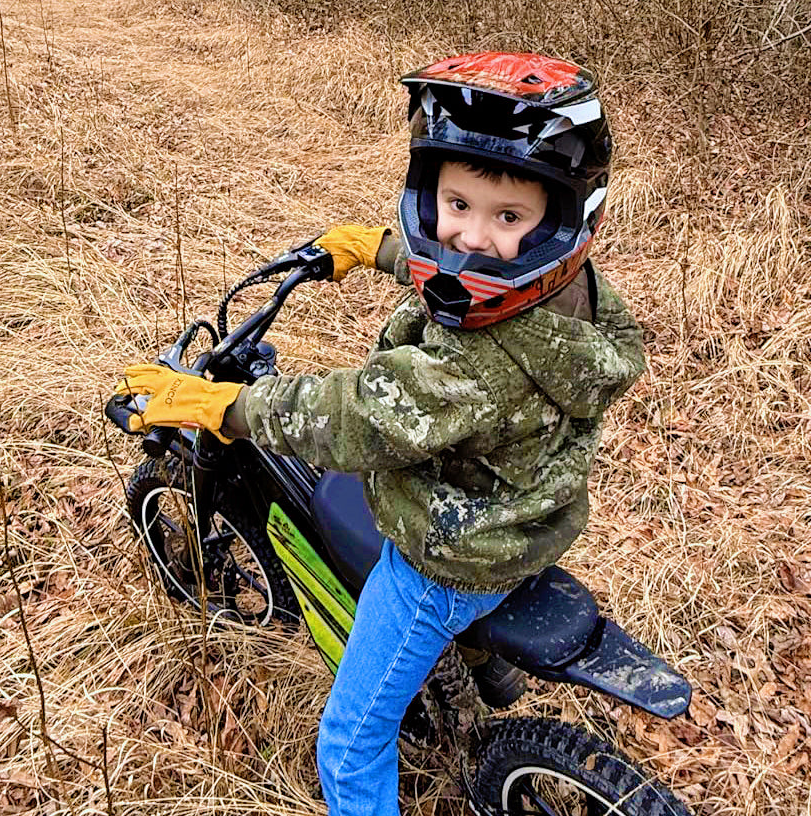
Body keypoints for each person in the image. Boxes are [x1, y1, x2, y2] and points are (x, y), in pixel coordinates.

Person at [116, 52, 645, 816]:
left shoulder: (474, 368)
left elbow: (355, 414)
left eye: (508, 217)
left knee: (348, 742)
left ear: (560, 224)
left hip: (444, 563)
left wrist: (223, 406)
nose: (472, 235)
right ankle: (484, 668)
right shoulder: (573, 296)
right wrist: (384, 250)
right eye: (455, 204)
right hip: (522, 516)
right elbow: (464, 273)